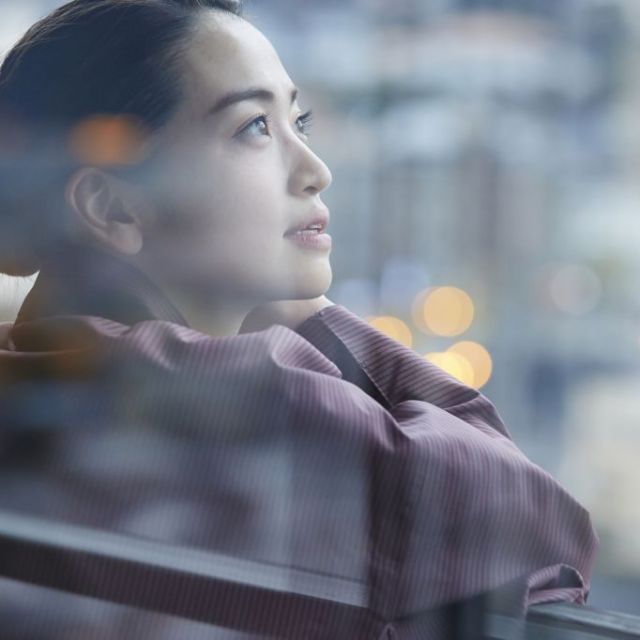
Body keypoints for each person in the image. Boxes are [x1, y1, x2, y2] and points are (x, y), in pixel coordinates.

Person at [0, 1, 598, 638]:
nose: (316, 170)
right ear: (112, 206)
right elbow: (540, 527)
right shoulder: (196, 394)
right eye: (254, 126)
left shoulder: (54, 366)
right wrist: (316, 317)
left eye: (299, 121)